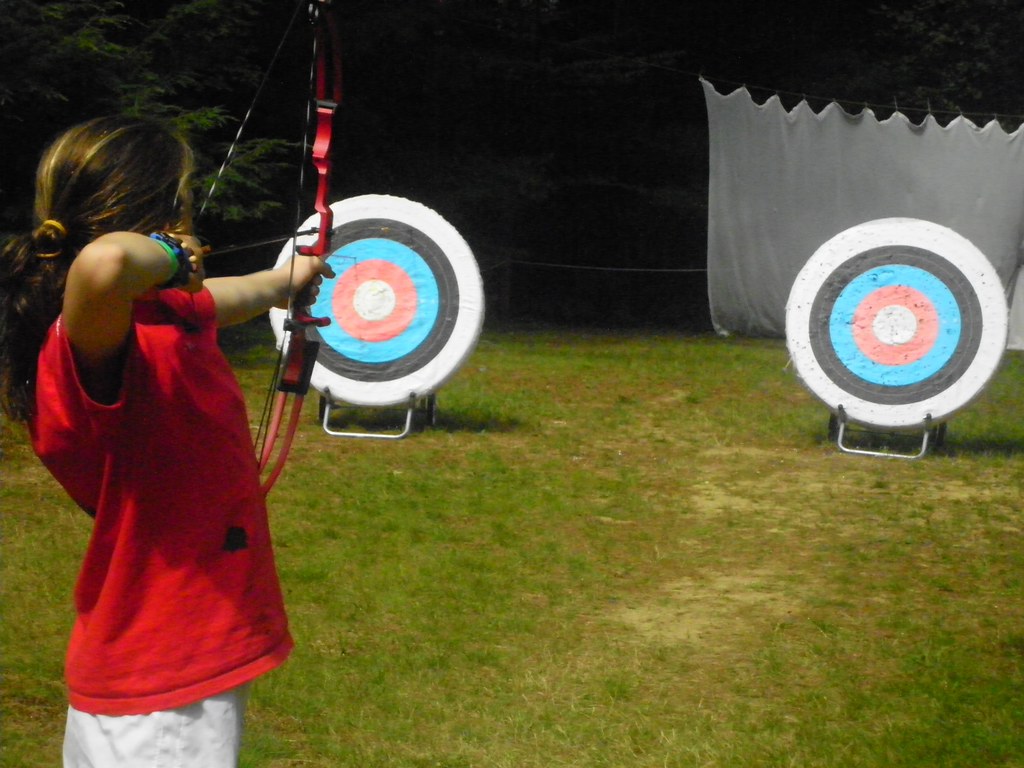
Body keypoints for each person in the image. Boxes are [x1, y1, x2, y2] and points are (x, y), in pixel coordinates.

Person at [0, 115, 333, 766]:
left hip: (164, 664)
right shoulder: (93, 335)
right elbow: (106, 262)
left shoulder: (167, 313)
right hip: (160, 684)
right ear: (156, 210)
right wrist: (176, 256)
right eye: (183, 197)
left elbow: (230, 296)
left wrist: (292, 277)